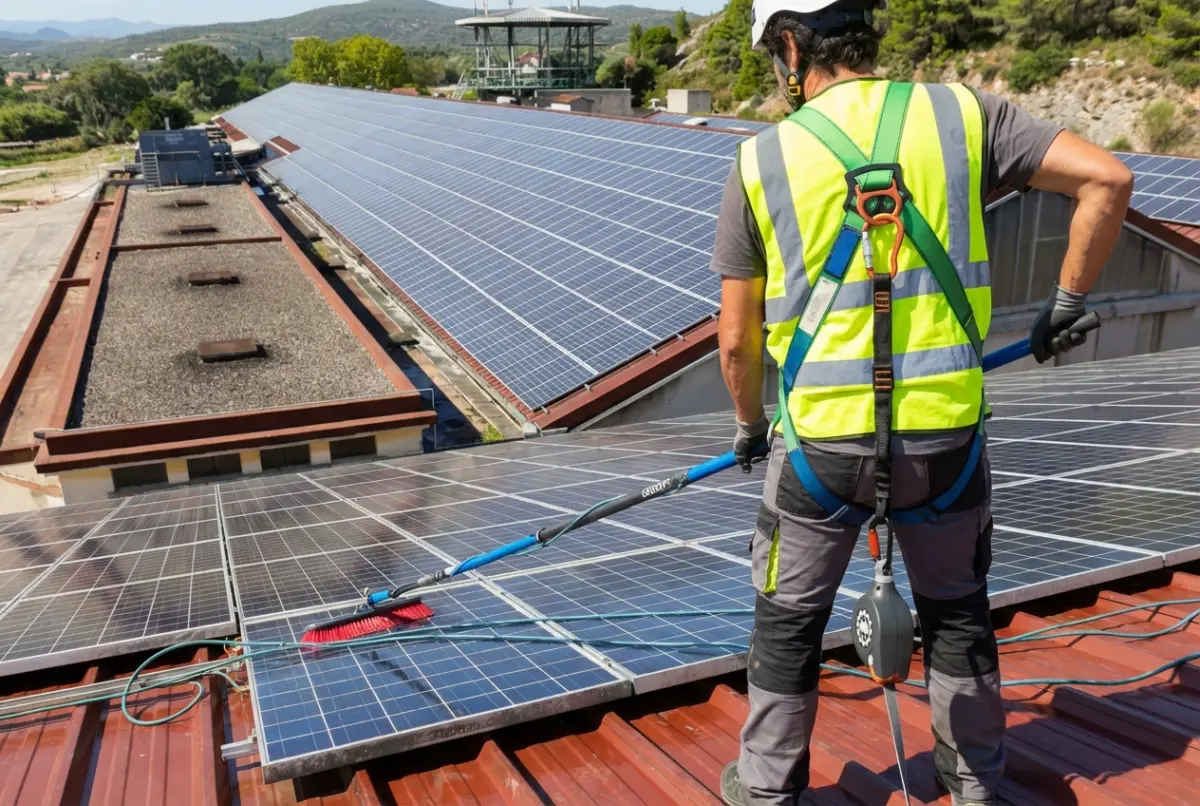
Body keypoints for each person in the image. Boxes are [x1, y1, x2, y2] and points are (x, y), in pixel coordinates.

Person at [714, 2, 1134, 805]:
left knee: (787, 627)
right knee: (957, 616)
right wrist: (1063, 305)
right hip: (947, 445)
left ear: (793, 46)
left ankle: (767, 789)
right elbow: (1107, 179)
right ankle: (974, 783)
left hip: (819, 454)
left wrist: (749, 427)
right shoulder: (963, 114)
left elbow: (736, 342)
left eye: (776, 54)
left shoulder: (761, 160)